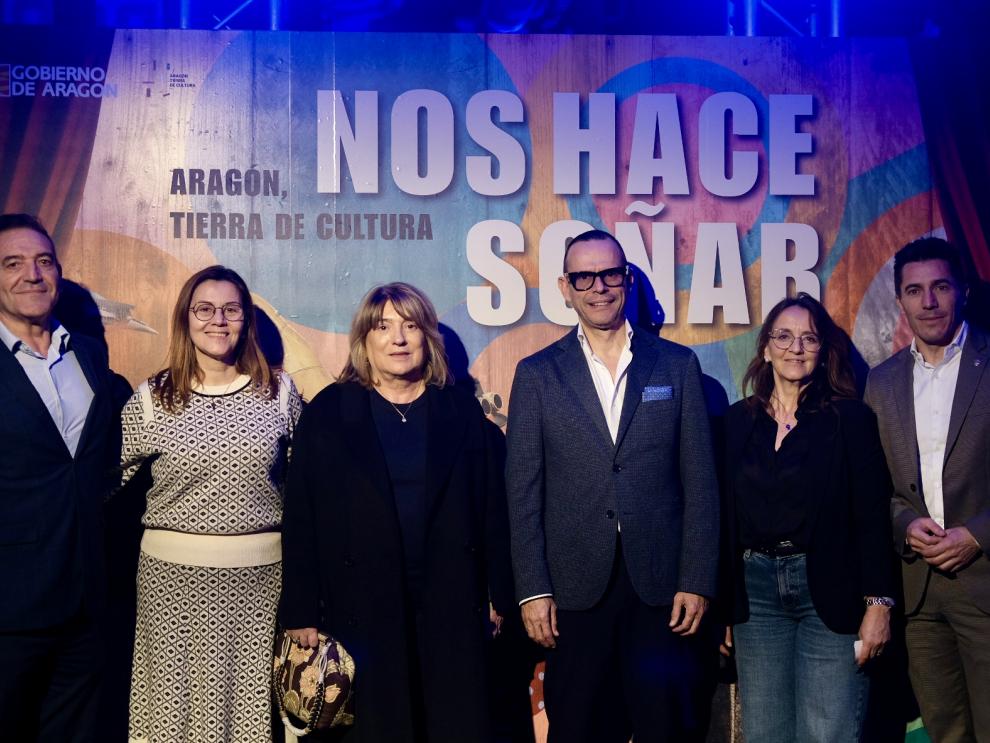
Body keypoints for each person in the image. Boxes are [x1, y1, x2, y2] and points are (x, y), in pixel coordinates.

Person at [505, 229, 719, 743]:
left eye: (609, 274)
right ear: (565, 286)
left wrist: (696, 578)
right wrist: (533, 589)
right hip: (574, 589)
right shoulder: (536, 375)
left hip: (660, 589)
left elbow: (701, 485)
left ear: (626, 278)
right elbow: (523, 494)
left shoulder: (677, 365)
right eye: (584, 276)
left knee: (663, 728)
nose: (598, 287)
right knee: (577, 728)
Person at [279, 282, 513, 743]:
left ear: (427, 336)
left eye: (410, 326)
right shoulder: (330, 411)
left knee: (452, 721)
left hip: (450, 597)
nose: (398, 339)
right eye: (383, 327)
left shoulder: (460, 411)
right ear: (365, 338)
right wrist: (302, 607)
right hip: (360, 600)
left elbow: (491, 510)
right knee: (379, 726)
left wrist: (498, 594)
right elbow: (301, 515)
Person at [119, 265, 302, 743]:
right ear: (185, 318)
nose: (217, 320)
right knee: (170, 713)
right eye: (204, 309)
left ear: (246, 320)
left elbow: (308, 490)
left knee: (247, 716)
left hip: (261, 586)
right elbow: (106, 487)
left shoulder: (280, 394)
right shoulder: (151, 399)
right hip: (170, 585)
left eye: (231, 309)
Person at [722, 293, 896, 742]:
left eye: (809, 338)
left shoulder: (850, 419)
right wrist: (722, 601)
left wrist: (879, 604)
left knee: (826, 733)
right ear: (765, 348)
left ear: (822, 353)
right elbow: (721, 518)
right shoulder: (735, 423)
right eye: (784, 336)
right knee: (764, 734)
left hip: (831, 592)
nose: (795, 348)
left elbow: (873, 517)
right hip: (756, 598)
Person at [865, 237, 990, 742]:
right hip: (917, 591)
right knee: (945, 731)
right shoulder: (882, 381)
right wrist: (903, 524)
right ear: (900, 302)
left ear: (962, 290)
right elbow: (878, 485)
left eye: (940, 287)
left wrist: (977, 535)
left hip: (985, 581)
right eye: (915, 291)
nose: (929, 302)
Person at [0, 213, 118, 742]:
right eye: (13, 263)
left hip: (87, 601)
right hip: (10, 606)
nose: (32, 274)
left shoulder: (90, 356)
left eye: (44, 261)